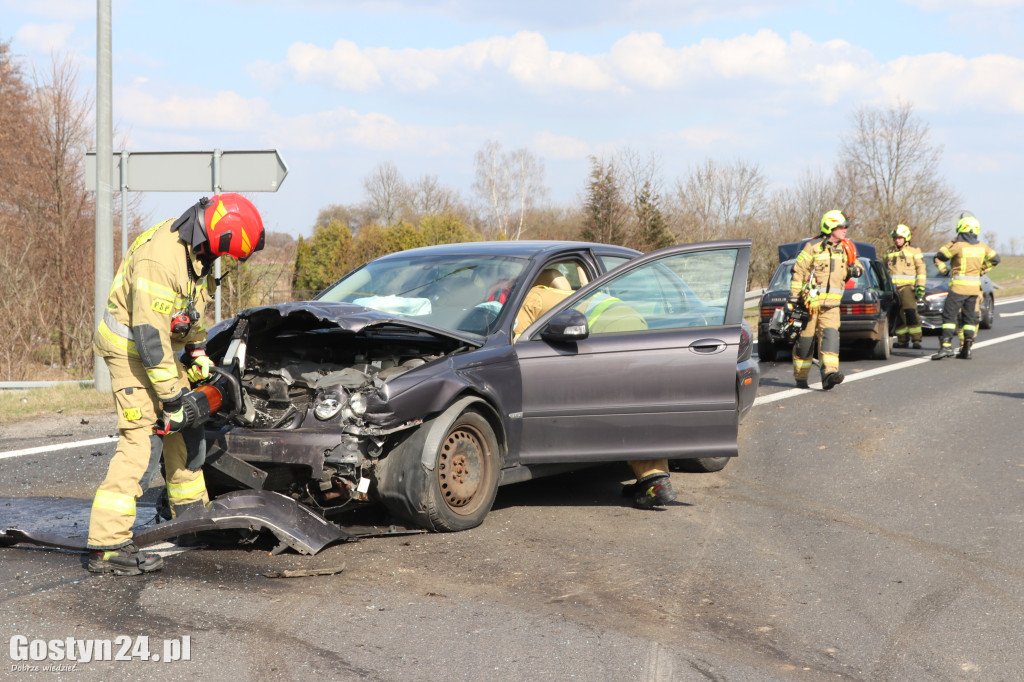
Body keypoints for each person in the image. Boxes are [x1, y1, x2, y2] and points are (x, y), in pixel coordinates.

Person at [87, 193, 265, 575]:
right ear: (217, 239)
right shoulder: (161, 259)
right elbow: (149, 337)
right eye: (226, 255)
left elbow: (188, 311)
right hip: (131, 352)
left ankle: (191, 522)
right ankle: (107, 543)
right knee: (142, 442)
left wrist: (199, 353)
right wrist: (171, 399)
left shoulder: (196, 255)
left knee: (186, 432)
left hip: (162, 352)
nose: (223, 263)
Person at [789, 210, 864, 390]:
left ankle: (829, 375)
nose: (845, 230)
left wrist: (856, 270)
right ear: (830, 227)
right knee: (805, 343)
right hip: (809, 305)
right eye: (841, 227)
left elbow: (858, 267)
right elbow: (798, 272)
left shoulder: (847, 248)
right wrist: (793, 299)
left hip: (832, 307)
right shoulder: (812, 247)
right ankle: (801, 378)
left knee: (830, 340)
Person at [931, 215, 999, 360]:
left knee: (949, 317)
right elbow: (996, 259)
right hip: (974, 290)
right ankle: (966, 348)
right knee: (969, 320)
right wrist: (982, 270)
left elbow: (941, 255)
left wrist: (951, 242)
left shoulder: (959, 246)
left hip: (958, 289)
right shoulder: (982, 247)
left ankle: (946, 347)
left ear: (961, 230)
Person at [884, 224, 926, 349]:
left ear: (906, 238)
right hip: (894, 290)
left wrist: (920, 286)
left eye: (900, 238)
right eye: (895, 238)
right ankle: (902, 341)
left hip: (908, 288)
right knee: (898, 315)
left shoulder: (914, 251)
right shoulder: (889, 252)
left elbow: (921, 270)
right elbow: (884, 270)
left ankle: (916, 340)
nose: (897, 240)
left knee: (911, 312)